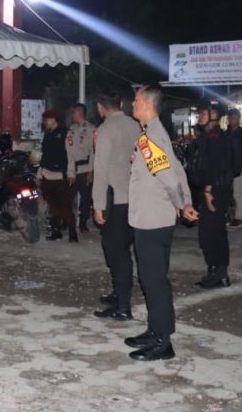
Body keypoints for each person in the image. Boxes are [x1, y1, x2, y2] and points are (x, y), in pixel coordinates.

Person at [126, 84, 199, 361]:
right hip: (153, 217)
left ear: (146, 104)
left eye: (136, 100)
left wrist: (182, 204)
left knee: (154, 280)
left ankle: (162, 341)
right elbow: (177, 169)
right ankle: (154, 329)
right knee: (151, 277)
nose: (133, 104)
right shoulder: (154, 133)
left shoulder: (151, 138)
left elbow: (168, 177)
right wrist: (186, 201)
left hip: (152, 219)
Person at [91, 87, 141, 320]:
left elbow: (101, 170)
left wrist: (98, 204)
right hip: (135, 197)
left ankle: (122, 306)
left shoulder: (105, 130)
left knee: (116, 253)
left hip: (116, 200)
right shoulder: (135, 125)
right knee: (124, 250)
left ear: (100, 108)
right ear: (121, 104)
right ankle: (118, 293)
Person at [192, 99, 237, 289]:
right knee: (211, 233)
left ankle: (219, 274)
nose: (200, 116)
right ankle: (215, 273)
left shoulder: (216, 137)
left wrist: (208, 191)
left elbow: (215, 166)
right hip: (211, 190)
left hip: (215, 191)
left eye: (203, 113)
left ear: (215, 115)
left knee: (212, 233)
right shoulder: (208, 136)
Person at [38, 110, 78, 242]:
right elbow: (43, 156)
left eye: (47, 119)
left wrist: (71, 172)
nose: (45, 122)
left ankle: (72, 231)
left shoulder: (66, 133)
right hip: (47, 175)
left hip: (61, 175)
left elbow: (71, 155)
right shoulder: (47, 134)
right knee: (52, 205)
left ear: (54, 119)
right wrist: (39, 174)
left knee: (65, 205)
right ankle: (56, 230)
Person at [66, 103, 95, 233]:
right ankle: (68, 220)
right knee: (68, 196)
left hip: (85, 169)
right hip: (73, 168)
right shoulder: (71, 129)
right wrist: (70, 171)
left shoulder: (91, 129)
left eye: (74, 112)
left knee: (85, 198)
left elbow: (93, 152)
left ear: (80, 113)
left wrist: (91, 171)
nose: (72, 115)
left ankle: (83, 221)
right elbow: (69, 151)